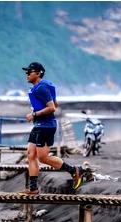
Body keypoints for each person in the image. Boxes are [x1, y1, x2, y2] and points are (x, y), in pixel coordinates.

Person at [19, 62, 85, 195]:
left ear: (38, 73)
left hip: (46, 127)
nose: (26, 74)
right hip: (39, 126)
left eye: (29, 72)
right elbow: (55, 102)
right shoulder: (40, 87)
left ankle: (74, 170)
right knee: (31, 155)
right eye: (26, 72)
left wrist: (34, 114)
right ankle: (33, 189)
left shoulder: (41, 88)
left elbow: (52, 107)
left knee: (42, 158)